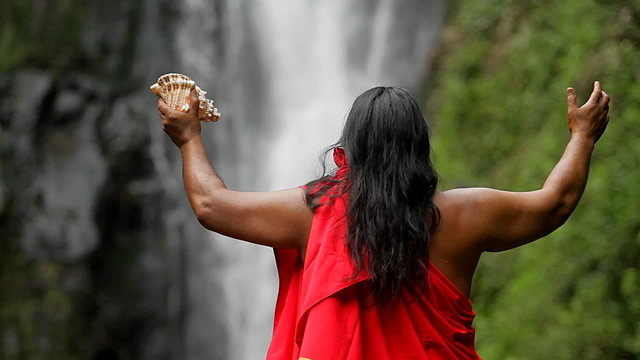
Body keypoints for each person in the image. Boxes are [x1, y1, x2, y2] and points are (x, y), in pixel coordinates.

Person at [157, 82, 610, 359]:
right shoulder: (465, 214)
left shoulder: (312, 212)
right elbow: (556, 202)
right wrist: (583, 136)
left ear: (349, 146)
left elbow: (211, 205)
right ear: (418, 146)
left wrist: (189, 137)